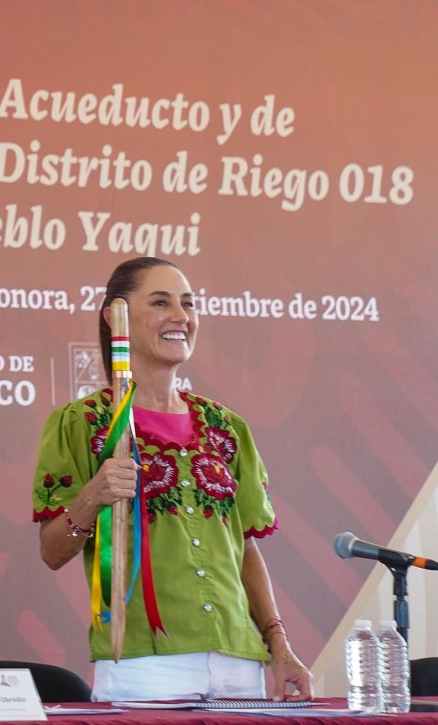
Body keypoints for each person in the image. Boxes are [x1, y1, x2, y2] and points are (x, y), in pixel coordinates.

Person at [32, 257, 313, 703]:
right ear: (115, 316)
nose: (181, 317)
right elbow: (51, 551)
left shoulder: (225, 426)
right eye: (161, 302)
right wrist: (93, 497)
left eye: (188, 303)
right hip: (145, 665)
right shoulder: (83, 423)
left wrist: (278, 643)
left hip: (240, 661)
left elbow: (244, 548)